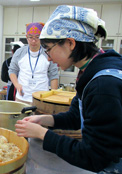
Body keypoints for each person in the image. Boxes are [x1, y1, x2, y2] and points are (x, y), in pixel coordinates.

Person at [15, 5, 122, 173]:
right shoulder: (90, 71)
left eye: (49, 50)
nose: (48, 58)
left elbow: (94, 157)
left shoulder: (103, 85)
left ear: (70, 43)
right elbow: (76, 117)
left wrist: (43, 134)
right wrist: (44, 120)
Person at [8, 22, 59, 105]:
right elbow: (12, 71)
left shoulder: (48, 53)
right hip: (22, 98)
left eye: (37, 37)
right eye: (30, 37)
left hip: (41, 99)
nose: (33, 41)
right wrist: (17, 84)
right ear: (26, 37)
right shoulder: (19, 53)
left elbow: (54, 75)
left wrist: (53, 98)